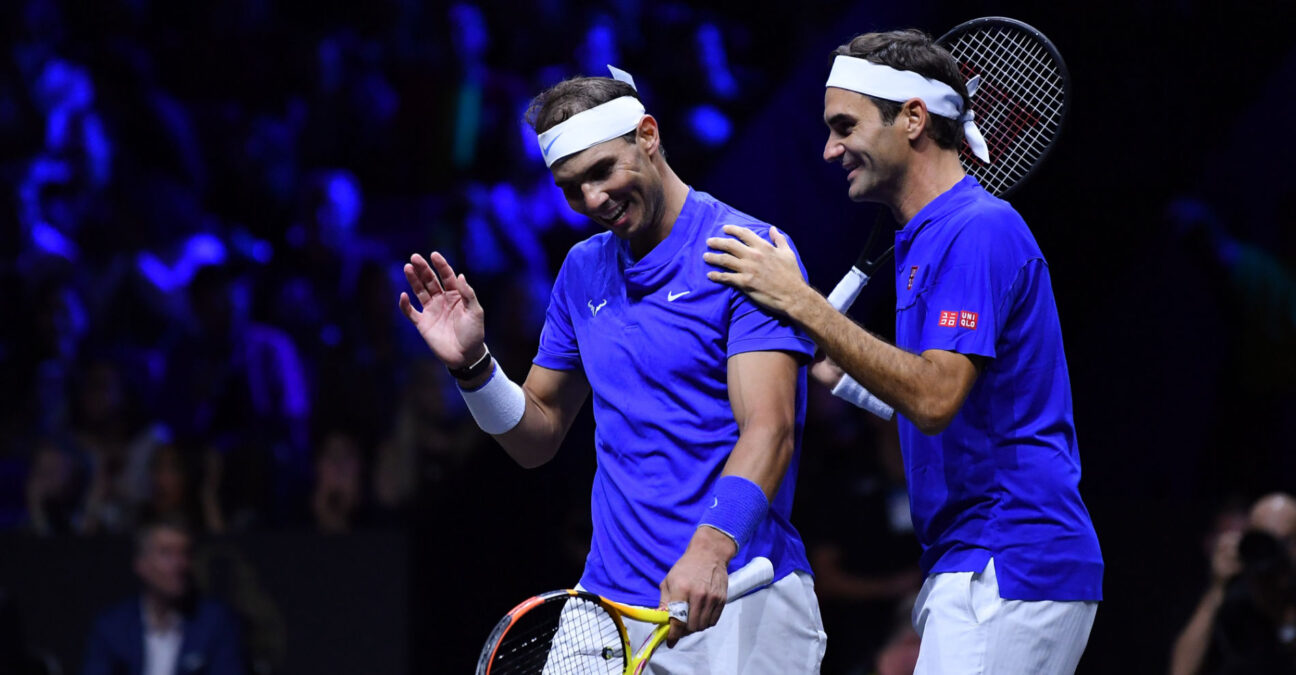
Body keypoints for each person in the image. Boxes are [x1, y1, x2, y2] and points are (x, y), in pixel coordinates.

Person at [399, 67, 826, 671]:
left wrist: (710, 547)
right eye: (572, 188)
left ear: (647, 135)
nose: (592, 200)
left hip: (738, 591)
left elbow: (770, 427)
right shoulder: (581, 271)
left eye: (603, 172)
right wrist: (475, 366)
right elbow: (537, 437)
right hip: (605, 604)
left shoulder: (747, 253)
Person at [703, 30, 1102, 673]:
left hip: (1009, 560)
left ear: (913, 119)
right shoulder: (929, 237)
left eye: (845, 126)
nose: (830, 149)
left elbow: (936, 397)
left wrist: (802, 301)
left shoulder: (977, 228)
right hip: (976, 560)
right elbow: (970, 409)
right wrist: (845, 374)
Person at [82, 517, 244, 675]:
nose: (180, 564)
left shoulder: (215, 622)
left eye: (185, 554)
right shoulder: (113, 626)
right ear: (141, 564)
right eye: (166, 554)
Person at [1170, 492, 1296, 674]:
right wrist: (1216, 589)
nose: (1270, 551)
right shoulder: (1233, 611)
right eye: (1260, 540)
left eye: (1285, 541)